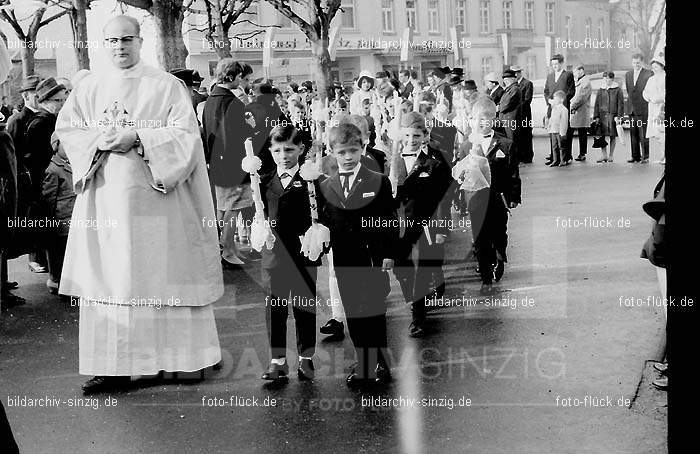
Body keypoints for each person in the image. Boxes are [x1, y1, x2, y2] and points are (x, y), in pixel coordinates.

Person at [55, 15, 223, 394]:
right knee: (110, 280)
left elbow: (186, 137)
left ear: (139, 40)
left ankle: (181, 361)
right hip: (107, 202)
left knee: (165, 276)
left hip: (159, 202)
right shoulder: (90, 87)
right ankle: (112, 368)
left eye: (126, 39)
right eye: (112, 40)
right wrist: (98, 139)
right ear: (104, 43)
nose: (119, 46)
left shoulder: (166, 86)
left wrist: (138, 136)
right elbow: (67, 129)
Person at [319, 123, 398, 386]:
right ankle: (364, 362)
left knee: (374, 310)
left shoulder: (378, 181)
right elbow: (323, 222)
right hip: (344, 259)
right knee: (354, 311)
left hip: (372, 258)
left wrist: (388, 253)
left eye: (354, 150)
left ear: (363, 148)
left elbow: (389, 219)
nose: (348, 157)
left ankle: (381, 363)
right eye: (342, 152)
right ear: (332, 153)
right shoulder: (326, 186)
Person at [259, 124, 323, 382]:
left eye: (289, 149)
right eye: (277, 150)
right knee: (275, 308)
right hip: (274, 256)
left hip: (303, 255)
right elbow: (257, 214)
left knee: (304, 307)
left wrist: (319, 237)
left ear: (301, 149)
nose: (283, 155)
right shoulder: (262, 181)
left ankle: (306, 359)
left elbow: (322, 214)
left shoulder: (311, 181)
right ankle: (277, 360)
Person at [393, 112, 453, 338]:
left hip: (423, 225)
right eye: (407, 135)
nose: (411, 140)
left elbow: (442, 200)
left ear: (423, 136)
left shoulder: (433, 165)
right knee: (401, 269)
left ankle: (418, 316)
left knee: (419, 269)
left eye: (416, 135)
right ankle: (416, 300)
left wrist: (440, 229)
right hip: (397, 226)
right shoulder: (392, 162)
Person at [462, 96, 520, 294]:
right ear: (472, 120)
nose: (481, 123)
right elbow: (460, 175)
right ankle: (485, 277)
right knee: (479, 239)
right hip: (476, 199)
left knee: (498, 234)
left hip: (497, 198)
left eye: (486, 119)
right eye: (477, 119)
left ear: (494, 120)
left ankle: (499, 255)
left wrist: (513, 196)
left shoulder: (505, 144)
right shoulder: (466, 146)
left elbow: (513, 173)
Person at [202, 59, 256, 267]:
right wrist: (250, 125)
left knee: (224, 207)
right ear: (232, 76)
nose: (244, 82)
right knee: (234, 206)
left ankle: (227, 248)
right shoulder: (229, 101)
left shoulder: (212, 100)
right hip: (233, 163)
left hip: (218, 162)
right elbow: (237, 134)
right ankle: (226, 249)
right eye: (243, 78)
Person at [5, 75, 48, 273]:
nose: (38, 97)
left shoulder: (43, 117)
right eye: (34, 94)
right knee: (28, 218)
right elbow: (13, 154)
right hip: (26, 177)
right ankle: (34, 258)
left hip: (41, 174)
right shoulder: (17, 120)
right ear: (25, 95)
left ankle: (40, 255)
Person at [41, 132, 75, 294]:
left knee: (69, 253)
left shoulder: (71, 164)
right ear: (56, 147)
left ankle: (66, 283)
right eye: (65, 144)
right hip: (61, 220)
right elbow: (49, 198)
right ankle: (57, 281)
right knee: (58, 254)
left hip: (72, 217)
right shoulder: (54, 169)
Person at [543, 54, 575, 165]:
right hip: (552, 107)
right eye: (553, 64)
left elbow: (571, 91)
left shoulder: (568, 75)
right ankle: (554, 157)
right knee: (553, 131)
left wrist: (561, 100)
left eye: (557, 64)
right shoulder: (550, 76)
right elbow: (546, 91)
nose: (555, 66)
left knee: (563, 131)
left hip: (562, 107)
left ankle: (566, 156)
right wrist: (549, 101)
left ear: (561, 63)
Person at [625, 53, 653, 163]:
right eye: (634, 62)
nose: (636, 64)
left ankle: (645, 156)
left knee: (643, 133)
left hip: (642, 110)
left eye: (638, 62)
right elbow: (629, 91)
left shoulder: (648, 74)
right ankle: (635, 156)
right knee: (633, 133)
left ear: (642, 62)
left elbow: (649, 91)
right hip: (632, 109)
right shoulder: (628, 74)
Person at [593, 71, 625, 163]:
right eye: (604, 78)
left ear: (612, 79)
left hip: (613, 115)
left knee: (612, 136)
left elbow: (621, 104)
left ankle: (611, 155)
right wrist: (596, 116)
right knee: (601, 136)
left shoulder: (617, 90)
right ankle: (604, 155)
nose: (606, 80)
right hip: (602, 116)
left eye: (608, 78)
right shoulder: (601, 89)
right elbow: (597, 104)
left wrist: (619, 116)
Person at [643, 55, 666, 164]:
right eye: (653, 68)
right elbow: (645, 92)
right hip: (652, 108)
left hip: (662, 109)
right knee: (657, 134)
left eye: (656, 67)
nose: (654, 70)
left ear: (662, 66)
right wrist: (648, 97)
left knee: (662, 132)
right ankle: (663, 154)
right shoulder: (651, 79)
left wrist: (659, 99)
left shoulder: (665, 77)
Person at [568, 65, 592, 162]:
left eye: (575, 72)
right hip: (578, 111)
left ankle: (580, 154)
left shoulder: (585, 82)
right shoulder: (580, 81)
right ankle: (578, 154)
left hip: (580, 110)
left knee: (577, 133)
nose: (574, 74)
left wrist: (572, 106)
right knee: (580, 133)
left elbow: (581, 97)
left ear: (581, 70)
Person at [512, 66, 534, 163]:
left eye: (517, 72)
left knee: (526, 135)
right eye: (514, 73)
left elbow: (527, 99)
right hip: (517, 115)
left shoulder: (527, 83)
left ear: (520, 72)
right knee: (519, 135)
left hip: (525, 114)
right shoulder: (514, 84)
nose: (516, 74)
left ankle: (528, 156)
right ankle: (520, 156)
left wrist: (514, 106)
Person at [498, 69, 522, 150]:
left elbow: (506, 104)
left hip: (511, 120)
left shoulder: (514, 89)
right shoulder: (510, 89)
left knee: (512, 142)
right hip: (507, 119)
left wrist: (498, 108)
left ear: (513, 79)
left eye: (508, 79)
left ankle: (513, 161)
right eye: (504, 79)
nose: (506, 81)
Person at [547, 91, 568, 167]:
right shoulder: (554, 108)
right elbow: (552, 119)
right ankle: (555, 160)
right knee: (554, 146)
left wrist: (563, 132)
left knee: (561, 147)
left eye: (556, 99)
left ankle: (563, 160)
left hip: (559, 131)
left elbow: (564, 122)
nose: (554, 100)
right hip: (553, 130)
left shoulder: (564, 109)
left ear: (561, 100)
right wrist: (549, 127)